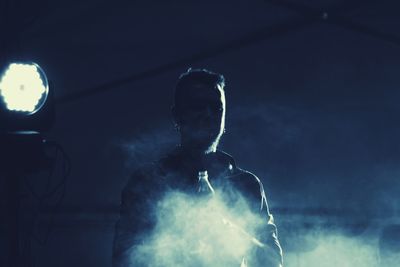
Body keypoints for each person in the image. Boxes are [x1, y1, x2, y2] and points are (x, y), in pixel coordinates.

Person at [112, 69, 283, 267]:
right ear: (177, 116)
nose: (208, 114)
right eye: (197, 106)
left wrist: (225, 226)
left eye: (216, 108)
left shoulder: (247, 185)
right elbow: (123, 260)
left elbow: (272, 262)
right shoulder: (148, 182)